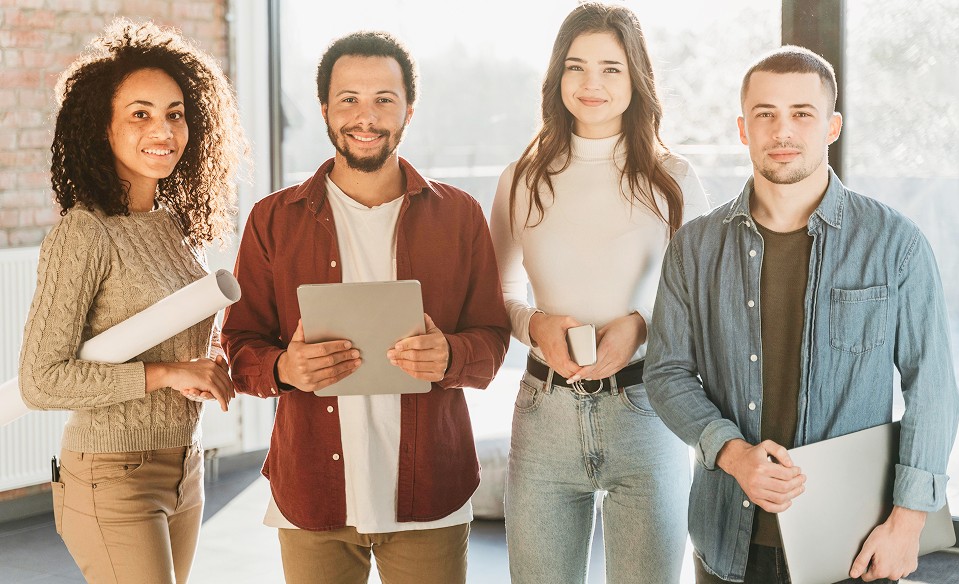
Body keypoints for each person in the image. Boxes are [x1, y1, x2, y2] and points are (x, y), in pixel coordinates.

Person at [643, 45, 959, 584]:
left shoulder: (895, 244)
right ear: (743, 129)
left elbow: (933, 389)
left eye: (802, 114)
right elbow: (666, 373)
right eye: (765, 114)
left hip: (854, 547)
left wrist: (909, 521)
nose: (782, 131)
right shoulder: (694, 247)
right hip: (725, 542)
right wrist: (733, 453)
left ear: (832, 126)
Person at [220, 30, 510, 584]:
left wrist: (449, 355)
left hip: (431, 494)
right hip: (312, 496)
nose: (366, 117)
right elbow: (239, 346)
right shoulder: (272, 220)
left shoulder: (460, 216)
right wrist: (283, 367)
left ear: (409, 109)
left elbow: (494, 340)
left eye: (384, 99)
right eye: (349, 99)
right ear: (325, 108)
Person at [18, 18, 246, 584]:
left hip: (183, 465)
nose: (162, 129)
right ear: (103, 128)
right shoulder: (85, 232)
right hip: (111, 474)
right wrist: (168, 373)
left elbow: (173, 338)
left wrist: (204, 365)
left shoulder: (168, 226)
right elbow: (41, 380)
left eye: (175, 113)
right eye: (140, 114)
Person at [489, 3, 710, 583]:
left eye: (611, 68)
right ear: (556, 77)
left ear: (637, 79)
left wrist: (640, 323)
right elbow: (498, 291)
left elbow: (699, 299)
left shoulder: (674, 179)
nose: (592, 84)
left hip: (648, 411)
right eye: (576, 66)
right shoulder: (522, 177)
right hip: (544, 415)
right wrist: (533, 325)